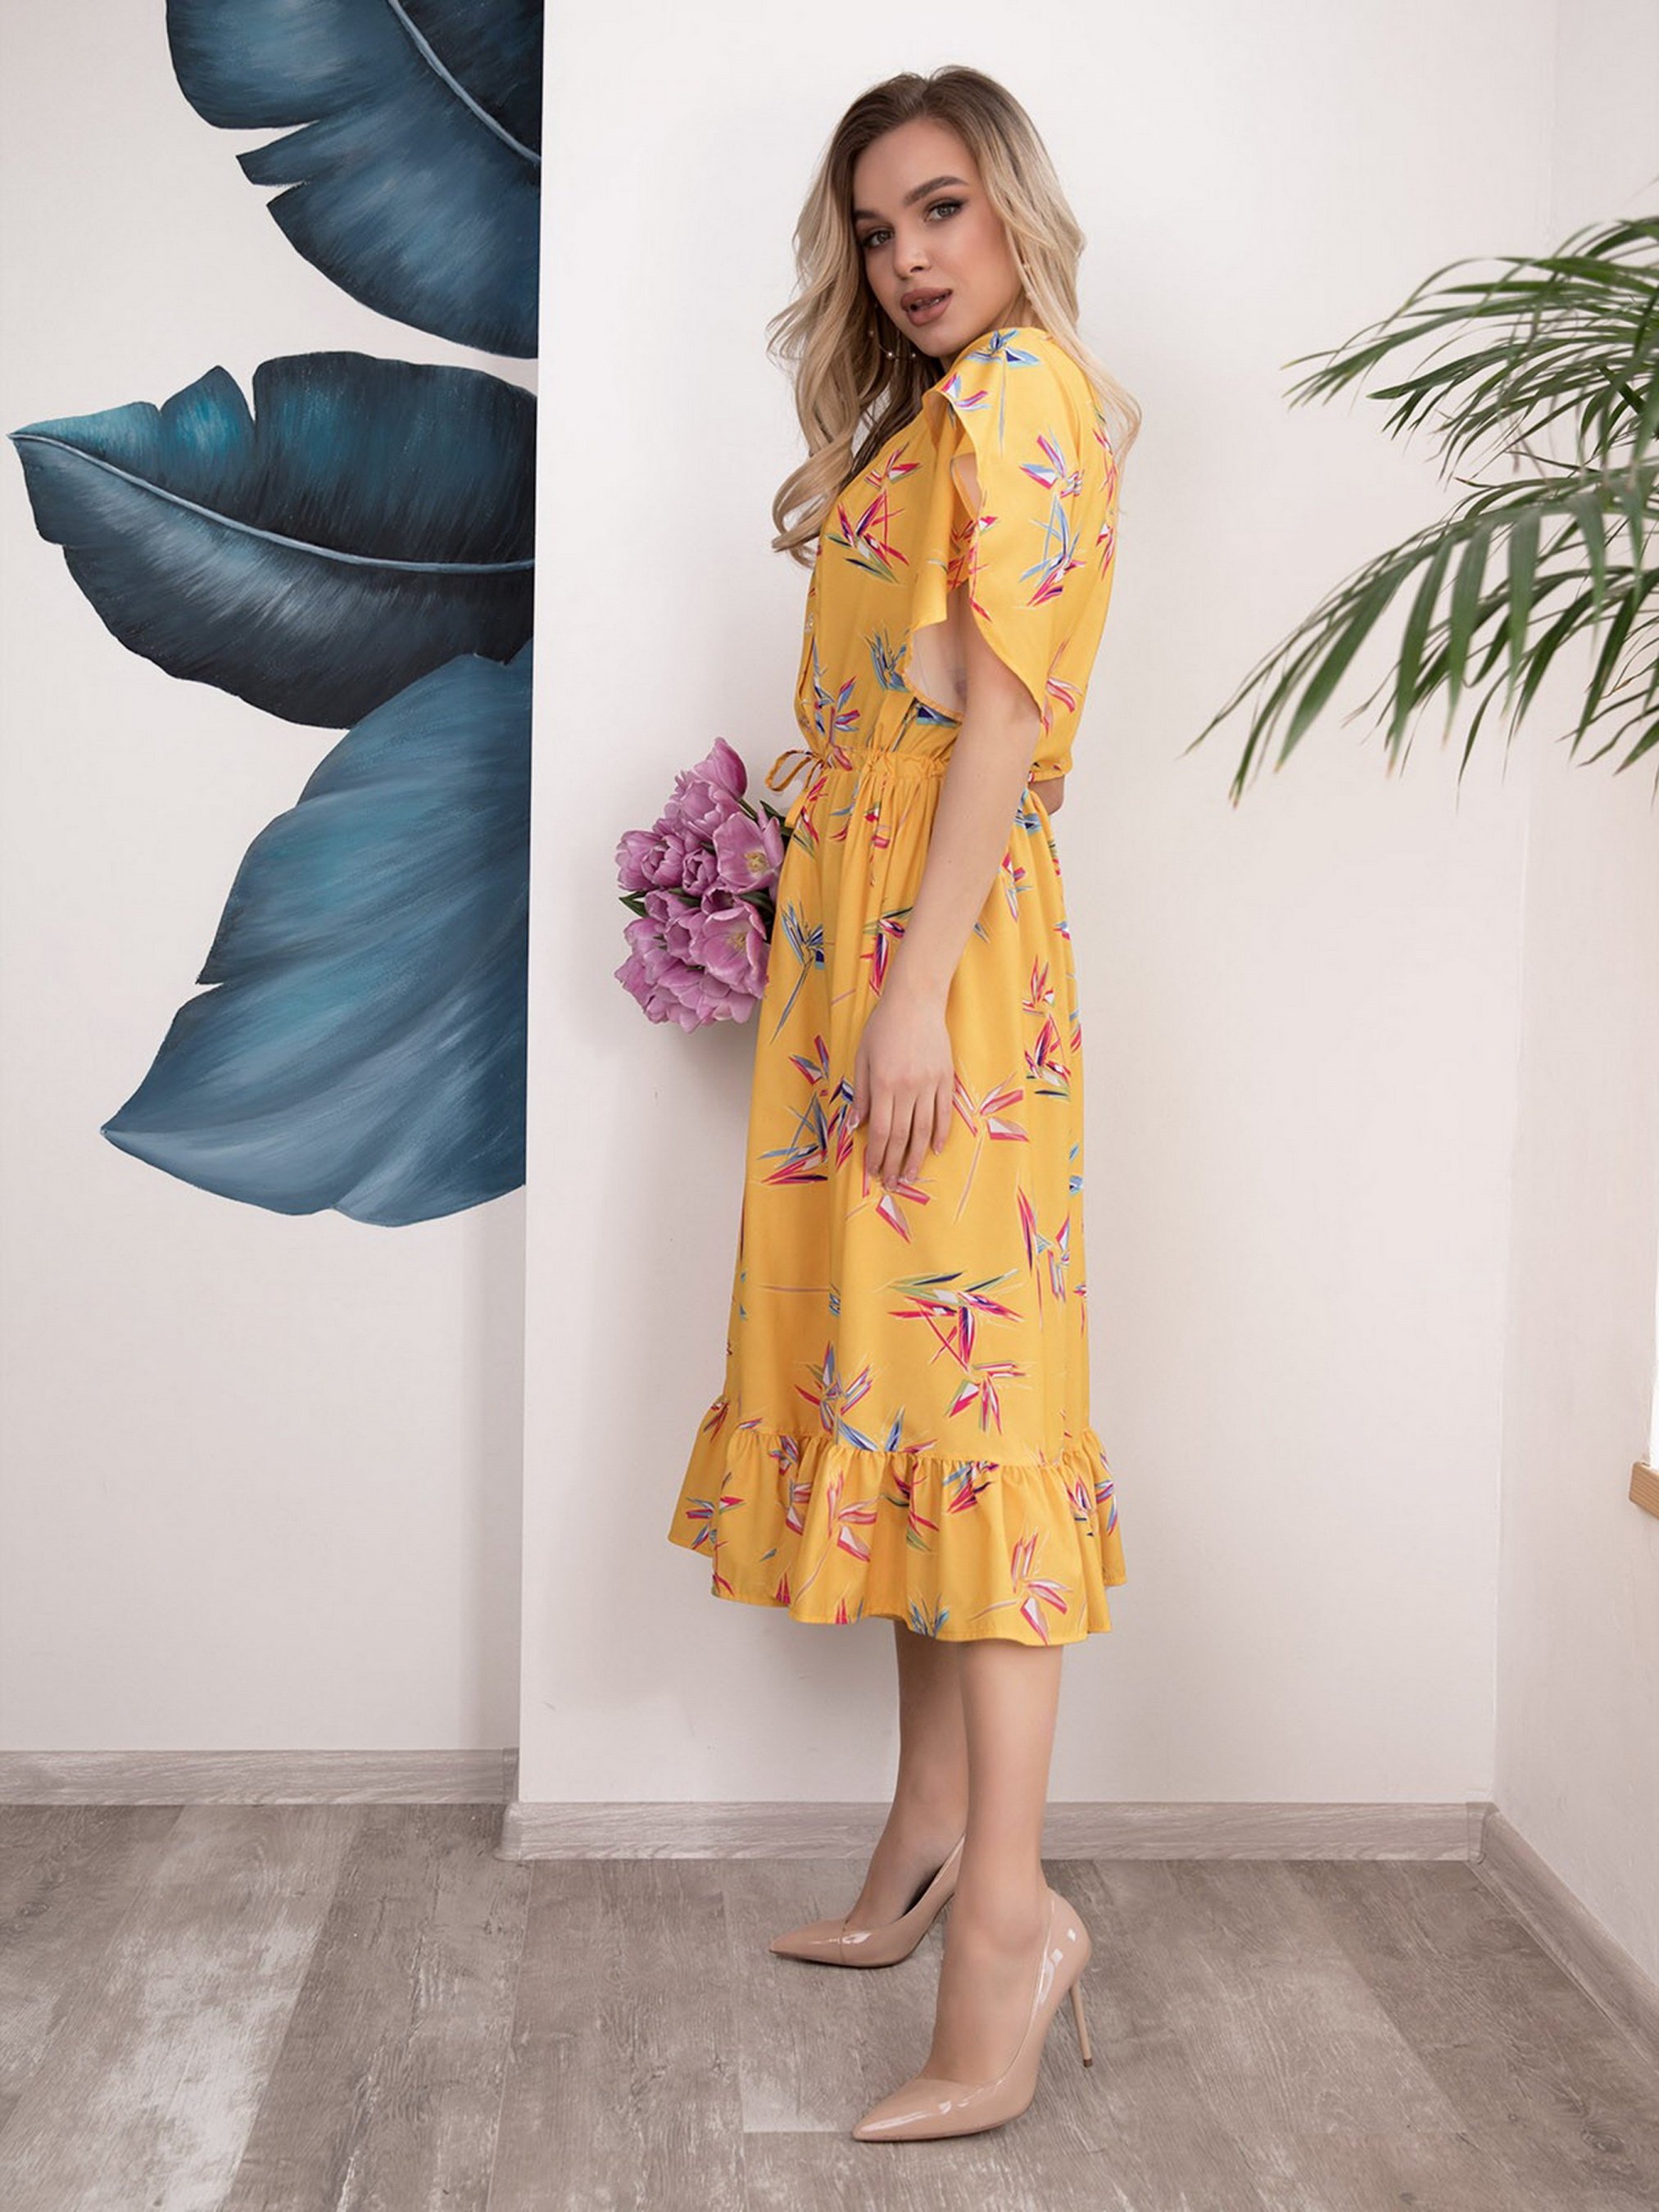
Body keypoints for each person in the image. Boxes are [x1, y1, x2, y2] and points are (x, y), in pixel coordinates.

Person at [664, 63, 1142, 2142]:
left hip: (936, 964)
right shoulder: (929, 415)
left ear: (1010, 205)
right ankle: (926, 1838)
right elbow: (896, 718)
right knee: (912, 1414)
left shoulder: (1027, 399)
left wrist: (917, 992)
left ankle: (1007, 1929)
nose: (906, 258)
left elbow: (1004, 733)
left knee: (978, 1424)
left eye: (938, 208)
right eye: (874, 230)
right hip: (866, 946)